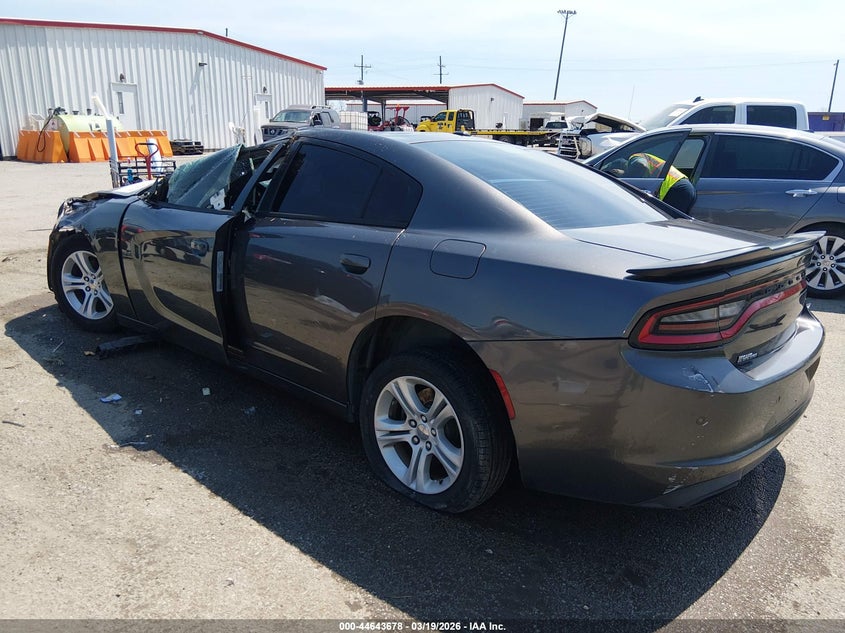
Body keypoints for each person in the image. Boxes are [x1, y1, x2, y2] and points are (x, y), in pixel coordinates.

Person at [625, 152, 697, 213]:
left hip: (676, 189)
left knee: (669, 221)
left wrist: (626, 175)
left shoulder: (634, 157)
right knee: (678, 222)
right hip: (683, 187)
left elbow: (641, 165)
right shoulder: (646, 157)